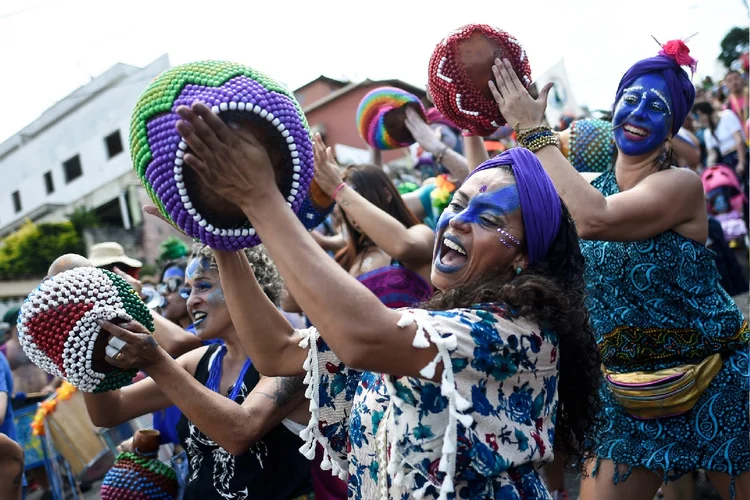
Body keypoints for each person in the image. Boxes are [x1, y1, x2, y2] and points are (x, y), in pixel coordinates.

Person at [169, 101, 602, 499]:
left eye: (487, 218)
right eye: (458, 203)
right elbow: (277, 352)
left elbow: (362, 337)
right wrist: (220, 236)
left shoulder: (515, 336)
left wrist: (259, 197)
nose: (458, 221)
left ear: (524, 257)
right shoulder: (424, 322)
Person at [489, 40, 749, 500]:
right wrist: (484, 129)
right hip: (629, 399)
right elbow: (520, 204)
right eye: (630, 99)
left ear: (672, 129)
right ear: (613, 109)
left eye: (656, 106)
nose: (639, 111)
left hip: (718, 381)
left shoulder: (680, 186)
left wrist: (534, 130)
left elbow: (598, 218)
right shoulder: (587, 187)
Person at [82, 244, 313, 500]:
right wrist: (83, 346)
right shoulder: (199, 361)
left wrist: (156, 362)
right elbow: (109, 411)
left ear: (245, 285)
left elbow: (239, 433)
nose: (192, 300)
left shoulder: (293, 359)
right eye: (188, 289)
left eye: (203, 286)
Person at [312, 133, 434, 306]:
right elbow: (290, 302)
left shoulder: (421, 233)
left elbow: (403, 246)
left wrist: (338, 189)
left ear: (386, 194)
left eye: (357, 197)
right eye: (346, 203)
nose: (352, 208)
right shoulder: (347, 257)